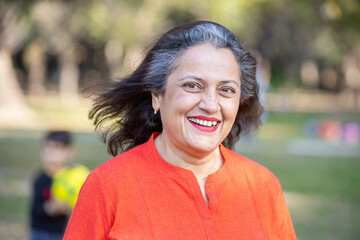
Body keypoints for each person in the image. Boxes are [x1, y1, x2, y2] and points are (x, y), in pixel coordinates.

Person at [64, 21, 296, 239]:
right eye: (193, 86)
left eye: (226, 90)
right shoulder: (107, 187)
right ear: (157, 95)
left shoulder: (263, 186)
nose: (210, 104)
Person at [30, 131, 73, 240]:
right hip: (41, 232)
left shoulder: (70, 179)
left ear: (68, 152)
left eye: (56, 148)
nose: (50, 152)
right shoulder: (40, 179)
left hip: (60, 232)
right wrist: (52, 208)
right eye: (47, 147)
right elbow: (36, 210)